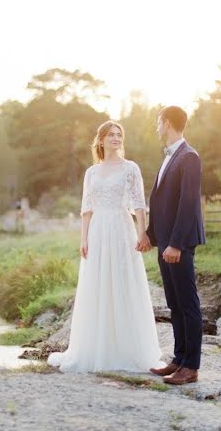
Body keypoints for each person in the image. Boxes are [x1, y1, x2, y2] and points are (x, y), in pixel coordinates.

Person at [48, 120, 164, 373]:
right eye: (111, 135)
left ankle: (129, 349)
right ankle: (96, 348)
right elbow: (86, 210)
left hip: (121, 228)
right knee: (98, 284)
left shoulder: (130, 168)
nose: (115, 138)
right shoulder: (91, 173)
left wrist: (142, 233)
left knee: (123, 281)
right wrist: (83, 239)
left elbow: (138, 204)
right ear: (100, 140)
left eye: (119, 134)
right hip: (98, 229)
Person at [146, 106, 206, 385]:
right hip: (165, 242)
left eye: (159, 122)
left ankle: (191, 367)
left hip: (178, 244)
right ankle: (179, 359)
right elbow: (161, 201)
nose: (157, 127)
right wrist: (150, 234)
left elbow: (188, 203)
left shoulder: (189, 157)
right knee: (174, 303)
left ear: (167, 123)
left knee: (188, 303)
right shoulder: (170, 157)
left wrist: (176, 244)